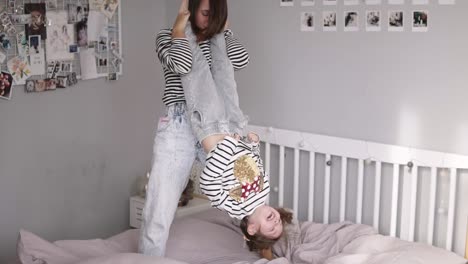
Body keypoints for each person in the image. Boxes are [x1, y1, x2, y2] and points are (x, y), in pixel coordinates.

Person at [138, 0, 249, 257]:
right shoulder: (166, 36)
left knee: (243, 191)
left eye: (216, 15)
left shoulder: (216, 40)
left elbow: (242, 60)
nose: (209, 20)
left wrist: (225, 30)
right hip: (179, 125)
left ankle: (258, 245)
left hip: (216, 125)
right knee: (160, 207)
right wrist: (179, 29)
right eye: (205, 13)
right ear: (191, 8)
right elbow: (182, 64)